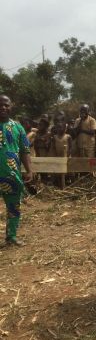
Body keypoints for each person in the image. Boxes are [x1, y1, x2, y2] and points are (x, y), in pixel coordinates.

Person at [0, 95, 33, 246]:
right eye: (0, 105)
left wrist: (29, 170)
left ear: (11, 106)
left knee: (14, 206)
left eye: (6, 104)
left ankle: (11, 237)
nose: (3, 107)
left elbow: (25, 151)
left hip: (12, 176)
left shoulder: (18, 127)